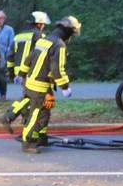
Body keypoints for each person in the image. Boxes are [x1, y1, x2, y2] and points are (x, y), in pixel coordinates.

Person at [19, 16, 80, 153]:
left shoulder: (44, 39)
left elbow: (29, 57)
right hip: (40, 87)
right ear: (68, 31)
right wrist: (65, 87)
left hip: (31, 84)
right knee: (37, 115)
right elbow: (57, 69)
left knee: (44, 111)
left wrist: (21, 74)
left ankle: (41, 138)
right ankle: (28, 143)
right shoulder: (59, 45)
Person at [0, 10, 50, 133]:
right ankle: (9, 117)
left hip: (20, 74)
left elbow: (10, 56)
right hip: (33, 73)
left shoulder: (18, 37)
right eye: (43, 25)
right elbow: (44, 57)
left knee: (27, 97)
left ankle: (20, 119)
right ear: (39, 24)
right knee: (33, 98)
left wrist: (11, 73)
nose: (43, 27)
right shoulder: (41, 37)